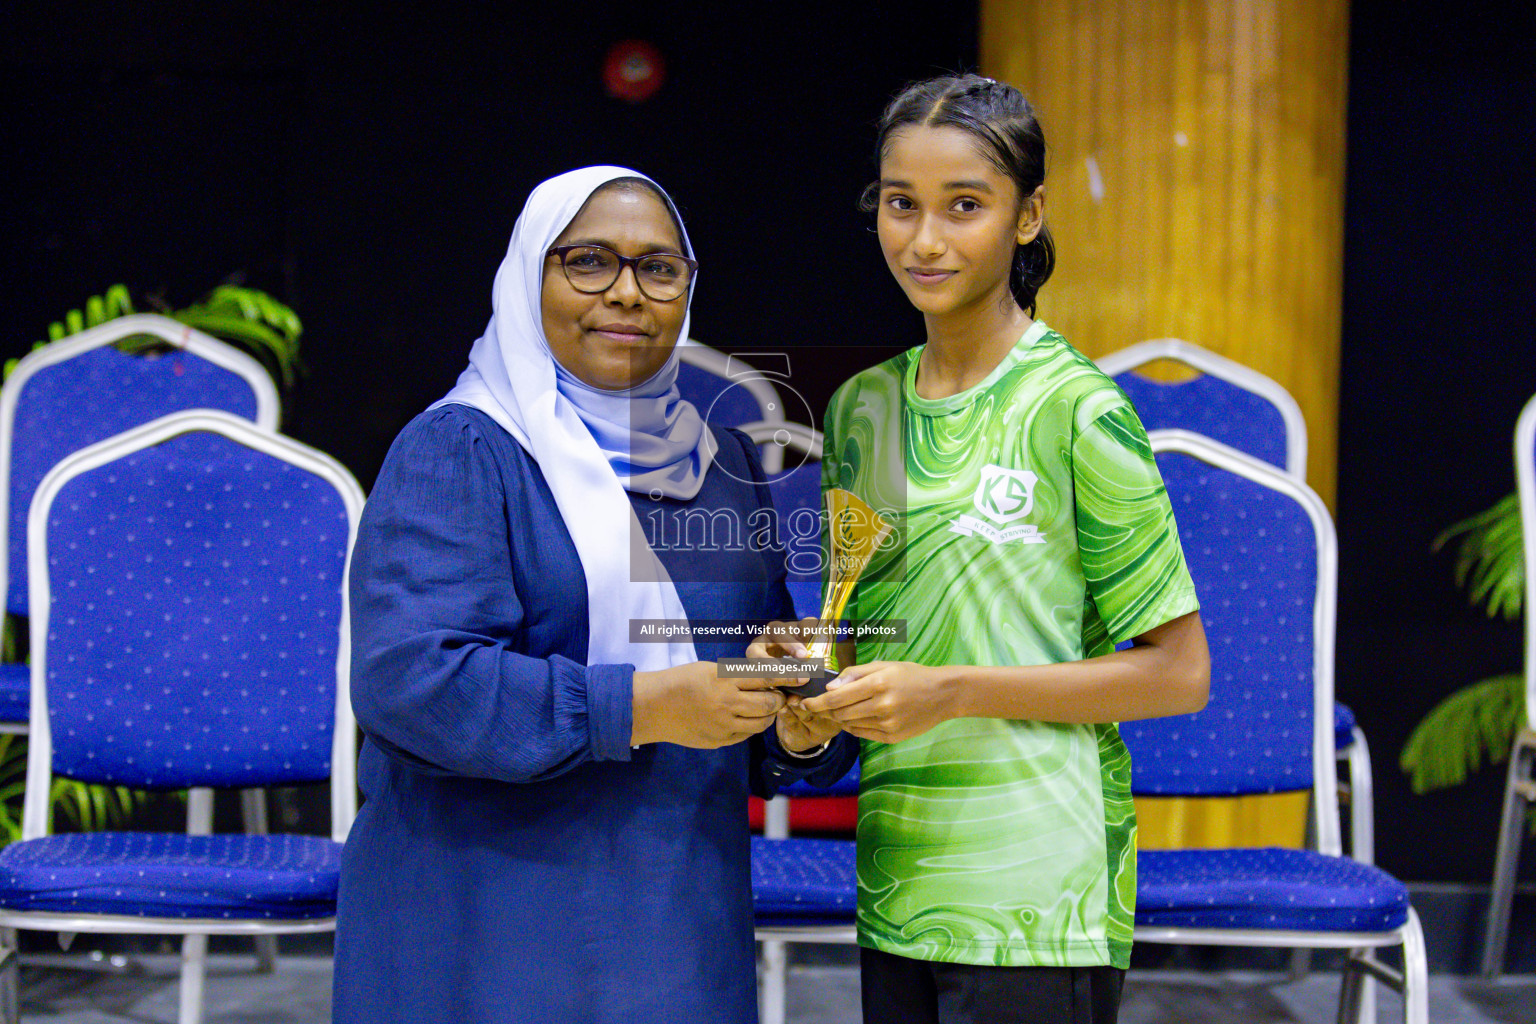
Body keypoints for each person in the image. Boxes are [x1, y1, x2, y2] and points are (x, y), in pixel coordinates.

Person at [333, 166, 854, 1024]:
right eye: (587, 262)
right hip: (486, 916)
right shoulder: (462, 450)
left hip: (675, 913)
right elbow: (412, 684)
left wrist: (797, 723)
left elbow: (748, 671)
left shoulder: (720, 462)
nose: (626, 293)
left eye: (659, 268)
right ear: (528, 275)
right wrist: (640, 705)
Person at [755, 76, 1212, 1024]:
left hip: (1042, 893)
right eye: (900, 205)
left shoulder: (1079, 409)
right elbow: (863, 631)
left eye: (965, 206)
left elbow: (1178, 676)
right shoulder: (862, 409)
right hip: (897, 877)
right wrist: (808, 703)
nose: (925, 240)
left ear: (1029, 215)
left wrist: (952, 689)